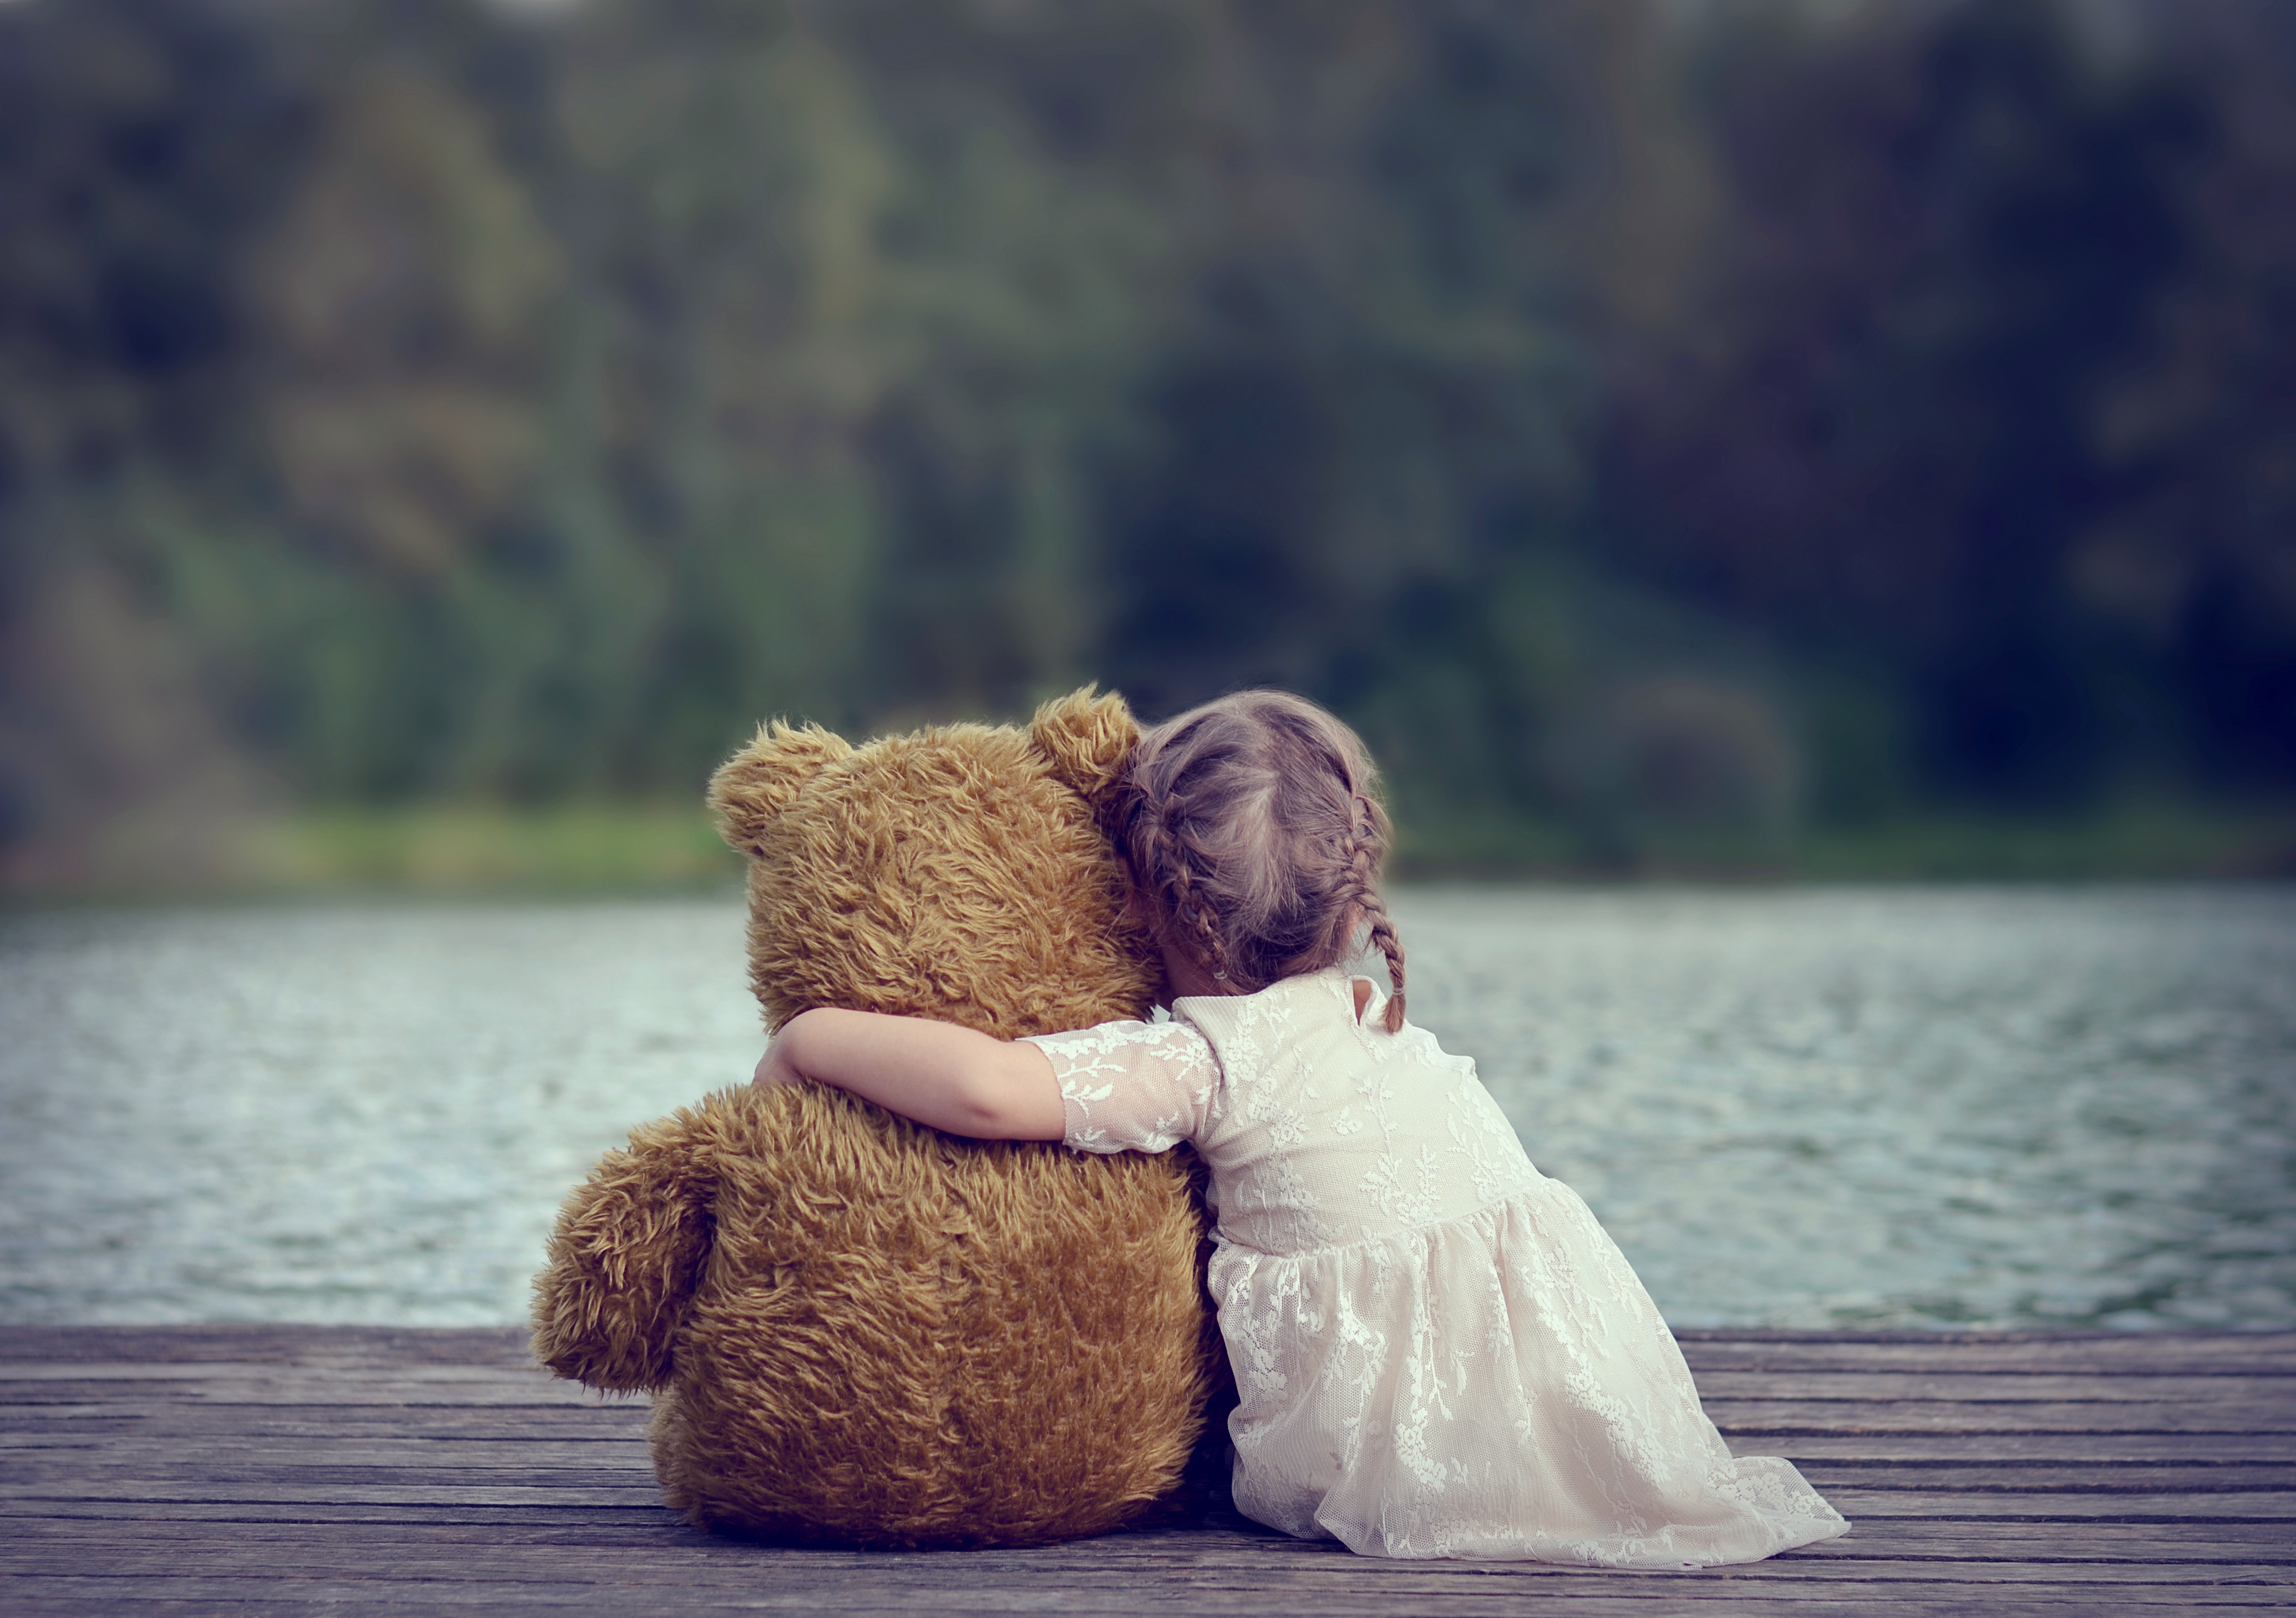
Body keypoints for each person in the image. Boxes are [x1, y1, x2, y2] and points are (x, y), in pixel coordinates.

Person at [754, 689, 1849, 1566]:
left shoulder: (1206, 1059)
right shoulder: (1370, 1013)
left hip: (1393, 1437)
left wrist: (814, 1036)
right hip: (1559, 1373)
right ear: (1343, 891)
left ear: (1138, 896)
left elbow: (991, 1090)